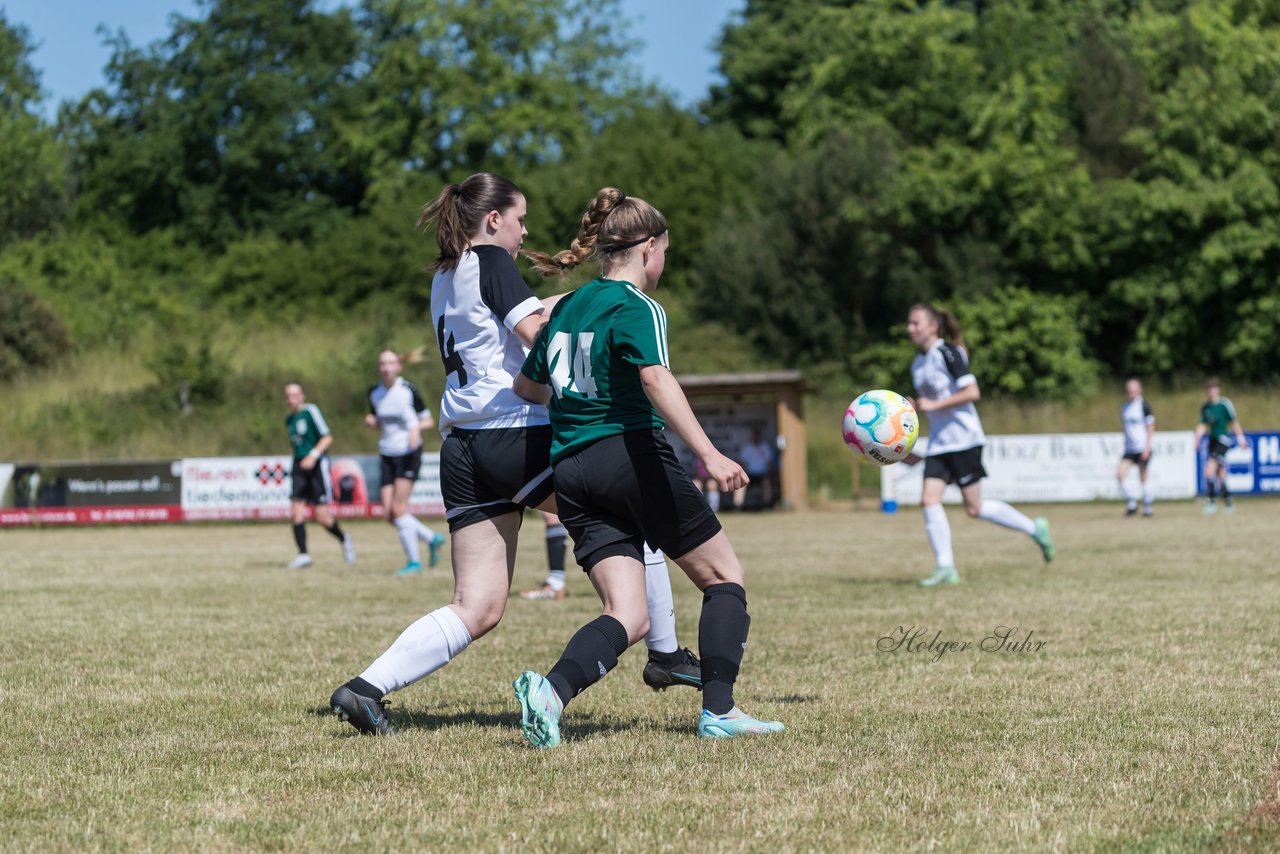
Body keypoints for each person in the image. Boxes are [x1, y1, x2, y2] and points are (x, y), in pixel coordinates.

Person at [328, 173, 698, 736]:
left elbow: (500, 329)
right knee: (632, 512)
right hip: (513, 433)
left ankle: (364, 688)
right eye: (520, 219)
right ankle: (666, 655)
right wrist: (594, 299)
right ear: (494, 219)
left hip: (462, 448)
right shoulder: (491, 261)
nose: (526, 231)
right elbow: (537, 336)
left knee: (477, 606)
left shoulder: (447, 274)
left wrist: (559, 301)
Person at [512, 186, 784, 747]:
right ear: (649, 247)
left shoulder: (567, 306)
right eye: (666, 253)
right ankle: (720, 711)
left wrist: (575, 398)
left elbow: (528, 387)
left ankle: (551, 693)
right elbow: (655, 378)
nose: (664, 264)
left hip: (572, 470)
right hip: (628, 455)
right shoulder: (637, 306)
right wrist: (709, 454)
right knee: (724, 576)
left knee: (629, 614)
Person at [905, 304, 1054, 587]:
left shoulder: (946, 353)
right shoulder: (917, 363)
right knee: (928, 499)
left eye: (915, 323)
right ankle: (945, 567)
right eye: (909, 324)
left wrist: (934, 404)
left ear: (933, 326)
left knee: (974, 509)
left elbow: (972, 392)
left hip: (964, 440)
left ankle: (1034, 528)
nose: (910, 328)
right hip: (939, 443)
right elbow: (931, 400)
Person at [367, 348, 447, 574]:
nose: (386, 367)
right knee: (388, 514)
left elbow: (428, 421)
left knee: (399, 507)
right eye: (383, 363)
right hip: (387, 453)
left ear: (398, 366)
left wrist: (414, 429)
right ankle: (431, 538)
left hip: (408, 453)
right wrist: (373, 422)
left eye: (391, 363)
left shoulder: (408, 390)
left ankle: (413, 562)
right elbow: (379, 421)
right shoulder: (374, 392)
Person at [283, 382, 356, 569]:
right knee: (295, 510)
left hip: (316, 466)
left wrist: (313, 456)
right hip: (299, 466)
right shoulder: (289, 420)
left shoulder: (310, 412)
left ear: (302, 396)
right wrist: (302, 460)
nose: (291, 399)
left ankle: (344, 538)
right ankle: (303, 554)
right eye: (288, 396)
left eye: (294, 395)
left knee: (321, 516)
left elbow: (327, 437)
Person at [1194, 376, 1247, 515]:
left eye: (1213, 389)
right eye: (1208, 390)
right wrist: (1197, 439)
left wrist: (1241, 439)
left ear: (1218, 390)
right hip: (1212, 440)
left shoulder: (1224, 404)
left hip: (1223, 440)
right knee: (1220, 473)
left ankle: (1211, 501)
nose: (1211, 392)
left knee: (1209, 470)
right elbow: (1202, 425)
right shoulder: (1205, 407)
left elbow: (1234, 422)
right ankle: (1228, 500)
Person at [1117, 378, 1155, 517]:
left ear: (1139, 389)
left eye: (1133, 388)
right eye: (1129, 388)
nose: (1130, 391)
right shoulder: (1124, 407)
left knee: (1143, 477)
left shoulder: (1144, 405)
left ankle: (1147, 505)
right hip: (1129, 449)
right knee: (1120, 475)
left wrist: (1147, 447)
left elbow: (1150, 427)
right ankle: (1131, 503)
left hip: (1142, 447)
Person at [733, 428, 775, 510]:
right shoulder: (748, 448)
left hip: (762, 474)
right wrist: (741, 474)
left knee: (766, 482)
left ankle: (767, 504)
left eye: (757, 436)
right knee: (742, 482)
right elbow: (742, 462)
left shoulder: (765, 447)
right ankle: (737, 505)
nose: (756, 438)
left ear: (760, 437)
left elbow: (770, 462)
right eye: (754, 436)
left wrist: (771, 473)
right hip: (750, 473)